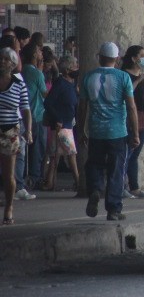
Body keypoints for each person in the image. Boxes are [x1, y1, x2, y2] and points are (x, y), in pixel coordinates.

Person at [78, 42, 139, 221]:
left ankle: (95, 189)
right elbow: (131, 106)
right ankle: (113, 209)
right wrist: (135, 133)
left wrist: (81, 130)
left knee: (94, 164)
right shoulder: (123, 78)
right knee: (116, 170)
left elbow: (82, 108)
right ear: (117, 58)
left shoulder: (88, 77)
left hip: (96, 132)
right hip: (117, 133)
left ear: (100, 57)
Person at [0, 47, 33, 224]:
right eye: (1, 58)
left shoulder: (19, 85)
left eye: (6, 59)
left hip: (10, 131)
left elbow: (26, 109)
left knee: (8, 174)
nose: (3, 62)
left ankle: (9, 205)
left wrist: (28, 130)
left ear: (13, 64)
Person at [121, 45, 144, 199]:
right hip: (129, 118)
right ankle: (122, 186)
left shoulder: (142, 75)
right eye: (142, 55)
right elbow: (127, 94)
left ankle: (134, 187)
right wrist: (139, 79)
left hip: (142, 118)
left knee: (134, 156)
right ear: (134, 58)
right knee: (126, 154)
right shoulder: (124, 75)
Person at [42, 55, 80, 191]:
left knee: (56, 155)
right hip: (62, 125)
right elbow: (48, 102)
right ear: (68, 68)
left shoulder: (71, 84)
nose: (77, 67)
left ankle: (50, 182)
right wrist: (58, 118)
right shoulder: (61, 83)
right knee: (71, 154)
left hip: (68, 124)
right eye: (75, 65)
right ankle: (78, 181)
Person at [21, 41, 48, 189]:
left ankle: (25, 177)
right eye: (39, 51)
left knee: (24, 151)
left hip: (23, 114)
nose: (41, 53)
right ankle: (35, 178)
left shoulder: (21, 71)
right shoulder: (36, 73)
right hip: (36, 115)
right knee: (37, 149)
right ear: (33, 55)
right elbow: (45, 94)